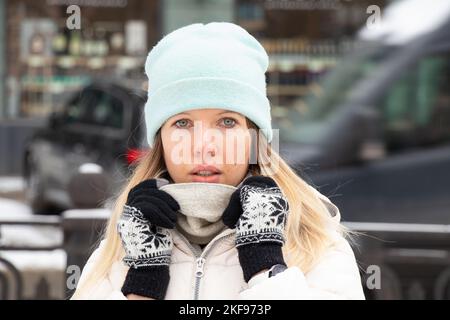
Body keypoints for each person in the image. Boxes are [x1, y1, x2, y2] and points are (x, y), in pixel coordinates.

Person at [71, 22, 365, 300]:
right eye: (183, 123)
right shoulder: (120, 249)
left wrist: (266, 269)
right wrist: (141, 285)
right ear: (161, 141)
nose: (204, 146)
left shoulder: (315, 244)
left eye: (227, 122)